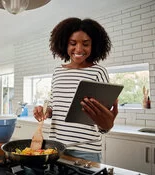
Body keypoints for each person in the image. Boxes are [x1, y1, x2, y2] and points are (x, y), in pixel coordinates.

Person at [33, 17, 118, 163]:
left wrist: (108, 120)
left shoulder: (98, 71)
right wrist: (45, 111)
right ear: (64, 44)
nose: (78, 49)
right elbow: (54, 106)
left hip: (86, 150)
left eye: (85, 44)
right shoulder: (57, 72)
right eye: (73, 43)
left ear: (94, 45)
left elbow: (103, 115)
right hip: (56, 147)